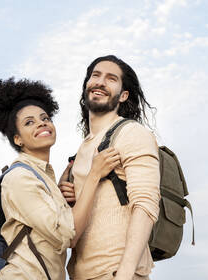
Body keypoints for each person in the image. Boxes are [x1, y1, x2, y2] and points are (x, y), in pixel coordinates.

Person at [0, 77, 121, 280]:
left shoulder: (43, 178)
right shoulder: (19, 178)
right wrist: (94, 174)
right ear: (18, 139)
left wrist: (61, 197)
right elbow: (69, 235)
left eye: (45, 118)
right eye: (29, 122)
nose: (42, 123)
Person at [62, 55, 161, 280]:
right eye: (95, 76)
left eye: (111, 78)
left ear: (123, 95)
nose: (100, 82)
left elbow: (145, 204)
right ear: (86, 85)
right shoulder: (81, 150)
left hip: (117, 271)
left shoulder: (131, 133)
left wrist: (125, 273)